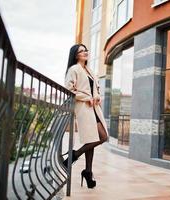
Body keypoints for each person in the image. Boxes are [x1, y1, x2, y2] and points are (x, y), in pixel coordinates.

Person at [63, 44, 109, 188]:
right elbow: (69, 90)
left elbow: (95, 88)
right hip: (84, 108)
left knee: (93, 138)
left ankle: (87, 172)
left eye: (85, 50)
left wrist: (97, 96)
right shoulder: (74, 69)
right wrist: (85, 97)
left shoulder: (89, 70)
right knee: (103, 137)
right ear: (76, 55)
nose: (85, 52)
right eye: (81, 51)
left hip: (94, 108)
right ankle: (74, 155)